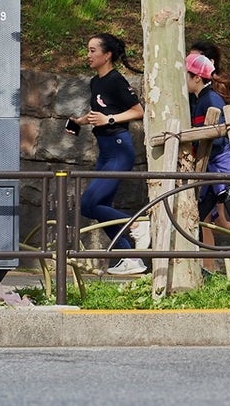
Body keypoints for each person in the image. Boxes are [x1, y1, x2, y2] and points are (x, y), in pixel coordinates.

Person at [77, 32, 147, 276]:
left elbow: (138, 111)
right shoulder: (95, 82)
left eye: (93, 50)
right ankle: (130, 257)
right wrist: (79, 121)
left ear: (107, 55)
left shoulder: (116, 80)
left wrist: (110, 118)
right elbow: (99, 112)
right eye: (88, 50)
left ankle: (137, 224)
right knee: (99, 207)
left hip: (119, 148)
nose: (88, 55)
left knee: (88, 204)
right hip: (105, 150)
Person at [185, 51, 230, 248]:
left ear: (196, 78)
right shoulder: (199, 99)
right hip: (211, 173)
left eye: (184, 75)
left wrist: (194, 135)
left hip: (224, 170)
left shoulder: (210, 99)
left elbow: (218, 138)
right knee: (196, 218)